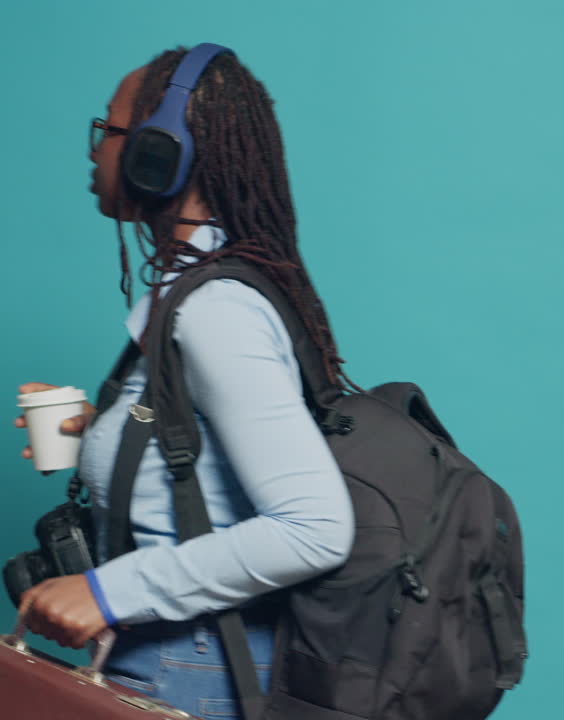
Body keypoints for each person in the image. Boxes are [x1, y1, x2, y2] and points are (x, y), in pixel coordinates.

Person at [11, 46, 355, 719]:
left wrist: (106, 592)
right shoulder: (196, 293)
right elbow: (202, 470)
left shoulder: (216, 310)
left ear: (158, 153)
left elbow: (316, 527)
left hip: (192, 669)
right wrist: (105, 433)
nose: (94, 151)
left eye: (108, 131)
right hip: (177, 661)